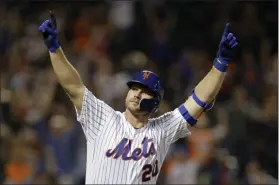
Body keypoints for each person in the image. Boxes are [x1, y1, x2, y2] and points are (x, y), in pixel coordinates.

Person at [38, 11, 238, 184]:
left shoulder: (163, 129)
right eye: (134, 88)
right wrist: (54, 49)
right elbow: (73, 86)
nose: (137, 93)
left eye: (145, 91)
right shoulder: (102, 117)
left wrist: (220, 64)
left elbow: (200, 99)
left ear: (156, 102)